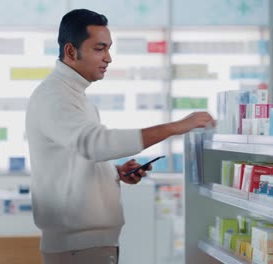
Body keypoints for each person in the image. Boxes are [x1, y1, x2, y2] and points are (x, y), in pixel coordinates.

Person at [25, 9, 215, 264]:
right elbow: (95, 144)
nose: (108, 58)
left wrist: (114, 172)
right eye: (99, 49)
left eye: (108, 48)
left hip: (88, 247)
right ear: (71, 52)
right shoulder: (54, 96)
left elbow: (77, 156)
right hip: (77, 249)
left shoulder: (74, 95)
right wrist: (176, 127)